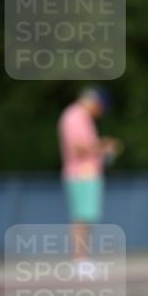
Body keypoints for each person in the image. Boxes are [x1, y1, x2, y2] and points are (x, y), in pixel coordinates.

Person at [57, 87, 122, 268]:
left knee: (86, 217)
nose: (100, 112)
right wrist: (104, 146)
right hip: (81, 174)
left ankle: (82, 258)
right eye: (100, 107)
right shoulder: (75, 116)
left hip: (85, 174)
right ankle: (79, 260)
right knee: (81, 218)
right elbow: (78, 148)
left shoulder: (79, 117)